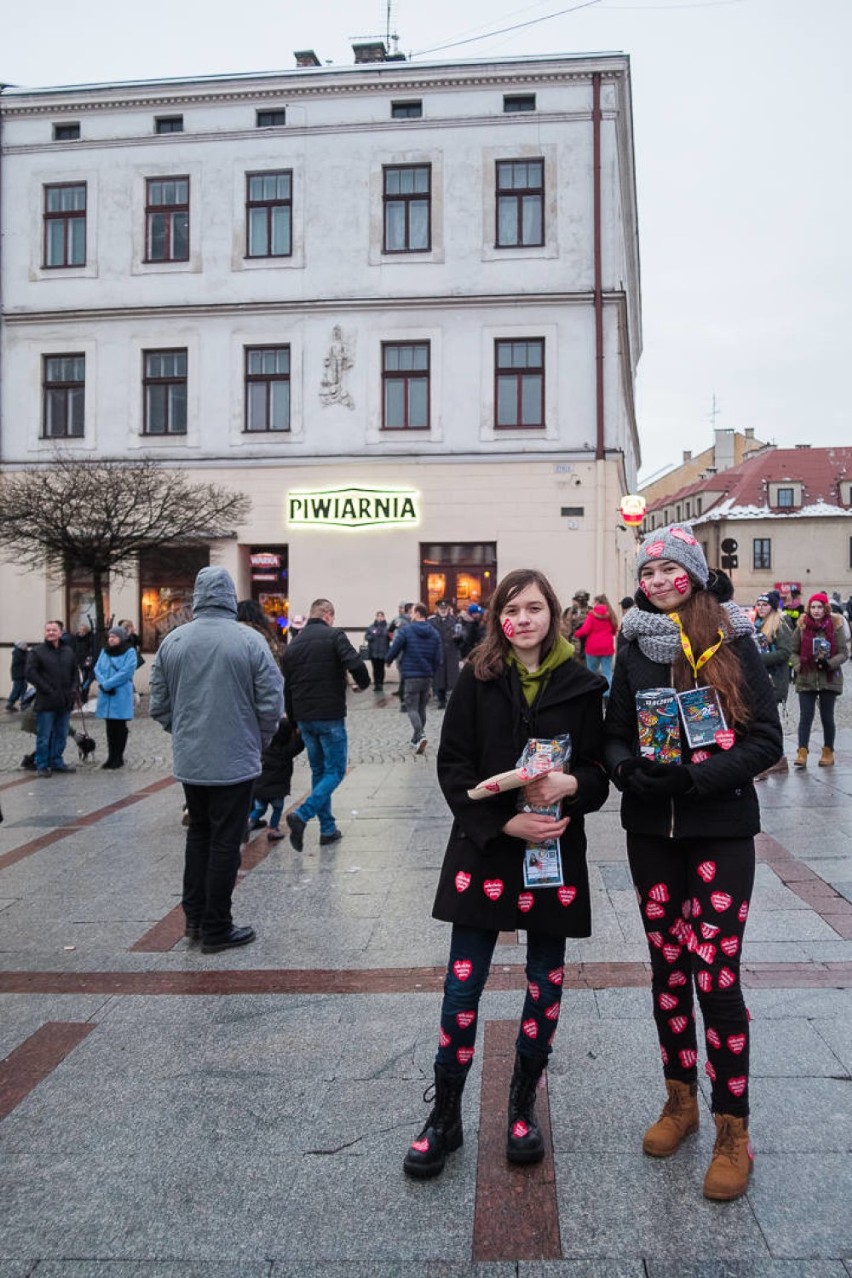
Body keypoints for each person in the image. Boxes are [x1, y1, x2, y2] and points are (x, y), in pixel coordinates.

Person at [403, 568, 608, 1180]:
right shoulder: (478, 677)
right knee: (462, 986)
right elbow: (453, 765)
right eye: (511, 610)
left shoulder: (582, 685)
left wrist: (575, 785)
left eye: (534, 608)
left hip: (552, 853)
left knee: (545, 983)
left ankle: (522, 1105)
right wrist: (501, 824)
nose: (522, 619)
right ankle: (445, 1114)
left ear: (554, 615)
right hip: (485, 850)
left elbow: (599, 771)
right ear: (497, 618)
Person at [604, 523, 783, 1201]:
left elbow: (765, 739)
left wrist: (695, 780)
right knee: (668, 971)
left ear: (694, 574)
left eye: (667, 570)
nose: (655, 582)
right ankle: (678, 1103)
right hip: (652, 833)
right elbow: (616, 730)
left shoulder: (733, 641)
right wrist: (628, 771)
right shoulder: (632, 648)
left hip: (719, 831)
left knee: (716, 975)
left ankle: (732, 1130)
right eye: (646, 573)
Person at [149, 567, 284, 954]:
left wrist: (186, 733)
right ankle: (217, 926)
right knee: (226, 839)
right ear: (228, 595)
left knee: (199, 833)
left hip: (193, 759)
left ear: (197, 596)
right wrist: (257, 739)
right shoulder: (250, 641)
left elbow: (159, 704)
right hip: (236, 758)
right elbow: (272, 701)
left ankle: (194, 917)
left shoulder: (173, 641)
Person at [281, 598, 370, 851]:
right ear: (328, 615)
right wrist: (362, 684)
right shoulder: (334, 636)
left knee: (319, 773)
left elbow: (287, 687)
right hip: (329, 715)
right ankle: (302, 815)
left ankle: (328, 829)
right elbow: (355, 663)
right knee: (335, 771)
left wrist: (293, 719)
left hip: (305, 718)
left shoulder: (294, 645)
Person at [790, 591, 848, 769]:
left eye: (819, 607)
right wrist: (799, 665)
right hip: (806, 677)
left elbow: (844, 653)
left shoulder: (835, 626)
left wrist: (829, 663)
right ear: (809, 608)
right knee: (805, 717)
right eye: (813, 607)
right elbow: (792, 651)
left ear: (825, 609)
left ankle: (828, 751)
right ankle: (802, 751)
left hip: (828, 679)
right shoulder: (801, 627)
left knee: (827, 717)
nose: (816, 610)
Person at [25, 620, 80, 777]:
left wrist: (74, 688)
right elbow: (30, 673)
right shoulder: (37, 652)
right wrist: (47, 689)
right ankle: (41, 764)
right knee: (44, 735)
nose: (51, 632)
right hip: (46, 701)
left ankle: (56, 761)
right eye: (48, 630)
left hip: (65, 701)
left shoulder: (68, 651)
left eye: (54, 630)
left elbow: (75, 672)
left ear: (60, 632)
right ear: (44, 633)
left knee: (61, 734)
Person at [386, 602, 442, 753]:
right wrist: (432, 671)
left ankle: (421, 734)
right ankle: (416, 739)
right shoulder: (434, 633)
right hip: (427, 676)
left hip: (411, 676)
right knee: (421, 708)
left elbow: (395, 647)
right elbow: (438, 658)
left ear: (417, 613)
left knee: (411, 708)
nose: (410, 615)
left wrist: (388, 660)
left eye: (412, 612)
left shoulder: (407, 631)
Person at [753, 590, 793, 778]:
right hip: (761, 679)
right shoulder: (757, 624)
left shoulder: (780, 624)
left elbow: (786, 652)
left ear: (773, 607)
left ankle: (778, 758)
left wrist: (760, 659)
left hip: (776, 679)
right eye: (759, 604)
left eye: (765, 604)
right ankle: (772, 758)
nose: (761, 608)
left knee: (773, 721)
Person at [246, 716, 304, 842]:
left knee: (260, 809)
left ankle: (248, 823)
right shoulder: (286, 750)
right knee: (277, 809)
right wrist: (300, 733)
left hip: (260, 788)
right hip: (277, 790)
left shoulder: (264, 747)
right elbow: (298, 745)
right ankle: (273, 829)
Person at [93, 625, 137, 769]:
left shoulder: (130, 651)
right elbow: (97, 668)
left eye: (114, 637)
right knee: (109, 727)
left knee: (119, 727)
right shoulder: (104, 651)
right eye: (110, 637)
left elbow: (126, 672)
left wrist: (109, 684)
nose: (111, 639)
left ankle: (118, 757)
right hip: (106, 694)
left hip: (120, 694)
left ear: (121, 638)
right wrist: (104, 683)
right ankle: (110, 756)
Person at [572, 594, 619, 690]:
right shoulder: (611, 614)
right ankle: (608, 694)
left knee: (591, 672)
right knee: (607, 672)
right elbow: (614, 630)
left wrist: (576, 633)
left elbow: (585, 630)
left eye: (594, 602)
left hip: (592, 648)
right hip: (607, 647)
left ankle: (593, 692)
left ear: (597, 602)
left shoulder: (591, 614)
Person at [429, 600, 461, 709]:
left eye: (445, 608)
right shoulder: (432, 622)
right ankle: (441, 700)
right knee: (439, 678)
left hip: (451, 652)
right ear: (437, 609)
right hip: (438, 652)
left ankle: (453, 700)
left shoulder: (455, 620)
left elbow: (462, 633)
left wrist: (460, 637)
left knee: (452, 678)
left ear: (448, 609)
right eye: (441, 609)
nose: (443, 610)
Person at [364, 610, 390, 691]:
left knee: (381, 669)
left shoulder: (387, 627)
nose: (379, 618)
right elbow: (366, 637)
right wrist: (372, 636)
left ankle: (381, 684)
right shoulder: (371, 627)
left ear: (383, 617)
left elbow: (390, 637)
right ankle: (376, 684)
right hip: (374, 652)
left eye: (381, 616)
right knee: (375, 669)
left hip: (383, 652)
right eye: (378, 616)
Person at [72, 621, 97, 703]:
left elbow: (92, 651)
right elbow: (74, 650)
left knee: (86, 680)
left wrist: (89, 661)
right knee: (77, 681)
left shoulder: (90, 639)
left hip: (87, 664)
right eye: (80, 629)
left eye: (83, 630)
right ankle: (78, 697)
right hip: (77, 662)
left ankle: (84, 697)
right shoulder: (76, 639)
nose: (81, 631)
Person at [6, 641, 29, 711]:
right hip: (18, 675)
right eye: (24, 645)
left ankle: (23, 703)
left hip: (22, 674)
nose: (26, 647)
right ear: (20, 646)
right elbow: (26, 659)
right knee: (17, 689)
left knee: (23, 688)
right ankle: (11, 703)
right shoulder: (18, 653)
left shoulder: (22, 652)